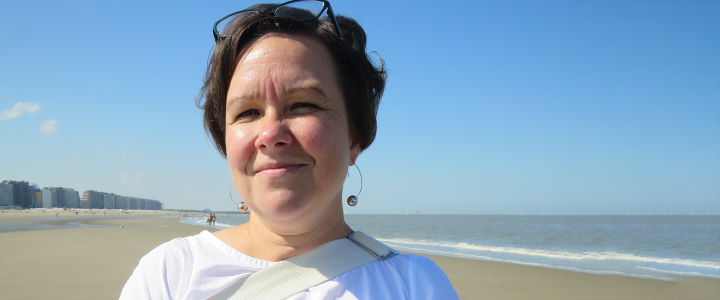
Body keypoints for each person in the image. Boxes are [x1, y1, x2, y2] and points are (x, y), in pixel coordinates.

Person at [120, 1, 459, 299]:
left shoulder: (414, 286)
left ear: (355, 135)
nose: (270, 134)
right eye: (247, 113)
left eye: (302, 105)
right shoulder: (168, 275)